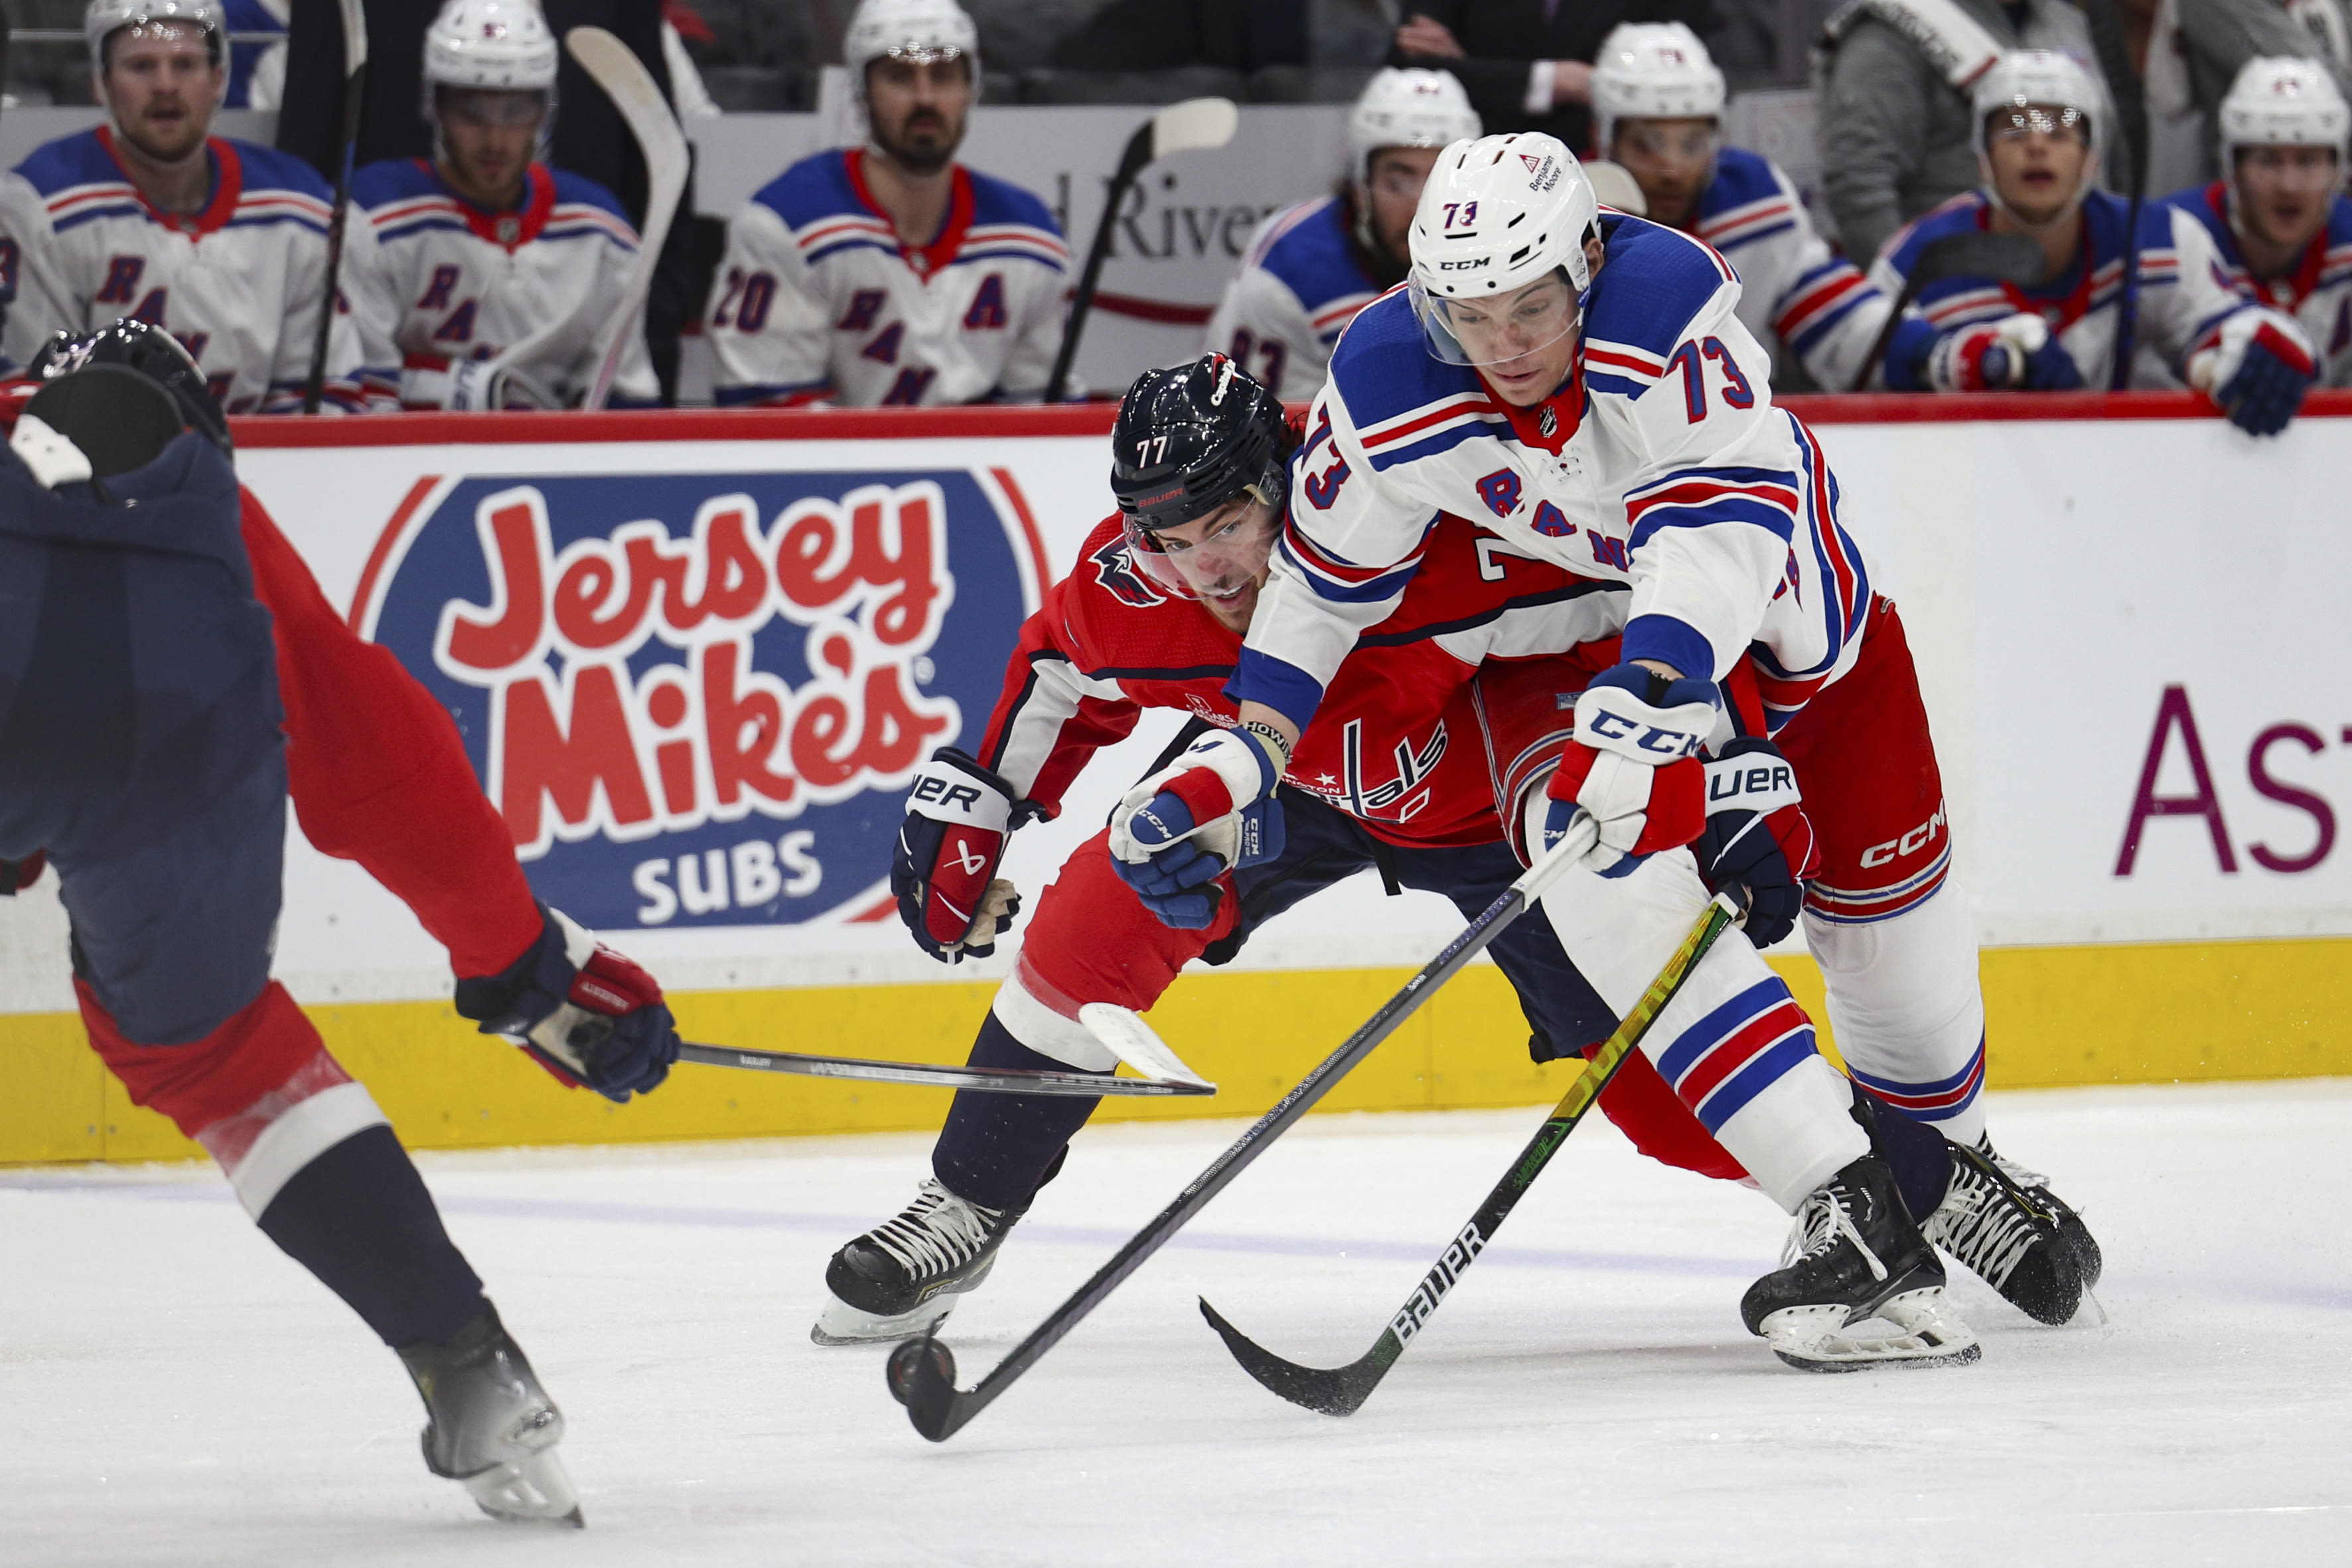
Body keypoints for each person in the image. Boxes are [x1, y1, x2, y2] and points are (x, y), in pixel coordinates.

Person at [816, 356, 2089, 1364]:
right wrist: (978, 794)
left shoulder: (1429, 532)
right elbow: (1057, 669)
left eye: (1232, 520)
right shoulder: (1137, 586)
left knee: (1664, 1101)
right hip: (1281, 776)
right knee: (1104, 895)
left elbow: (1666, 597)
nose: (1207, 564)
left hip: (1491, 795)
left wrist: (1727, 764)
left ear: (1292, 485)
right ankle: (962, 1206)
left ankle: (1911, 1179)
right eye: (1169, 535)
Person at [1121, 133, 2099, 1368]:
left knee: (1890, 982)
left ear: (1584, 265)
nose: (1506, 343)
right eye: (1471, 314)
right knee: (1599, 864)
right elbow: (1317, 594)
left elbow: (1713, 538)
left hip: (1814, 663)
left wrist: (1658, 696)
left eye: (1530, 306)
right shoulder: (1384, 377)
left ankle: (1935, 1167)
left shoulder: (1666, 317)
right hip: (1621, 664)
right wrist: (1249, 750)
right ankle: (1857, 1227)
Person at [0, 322, 684, 1523]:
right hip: (166, 698)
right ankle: (467, 1365)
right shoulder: (188, 499)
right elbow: (375, 761)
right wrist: (520, 961)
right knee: (208, 1046)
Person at [1876, 50, 2315, 433]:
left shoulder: (2158, 238)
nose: (2036, 146)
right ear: (1982, 155)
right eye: (2014, 129)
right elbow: (1865, 377)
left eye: (2061, 131)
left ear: (2092, 156)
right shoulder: (1917, 260)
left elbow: (2217, 325)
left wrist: (2250, 345)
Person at [0, 0, 368, 410]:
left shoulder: (300, 207)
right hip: (98, 460)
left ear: (219, 79)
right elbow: (36, 397)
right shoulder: (38, 207)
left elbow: (323, 402)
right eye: (141, 66)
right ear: (101, 83)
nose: (165, 85)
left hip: (264, 460)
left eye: (185, 65)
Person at [705, 0, 1073, 407]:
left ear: (972, 90)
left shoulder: (1030, 238)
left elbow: (1039, 418)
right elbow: (765, 420)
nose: (925, 98)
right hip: (836, 470)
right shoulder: (788, 226)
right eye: (900, 76)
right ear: (861, 94)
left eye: (944, 75)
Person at [348, 0, 660, 409]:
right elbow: (363, 402)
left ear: (544, 111)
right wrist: (461, 391)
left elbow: (626, 404)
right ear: (436, 105)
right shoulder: (375, 220)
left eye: (516, 111)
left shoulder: (602, 233)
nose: (495, 140)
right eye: (472, 112)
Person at [1589, 22, 1887, 388]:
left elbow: (1833, 312)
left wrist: (1927, 352)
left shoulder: (1753, 194)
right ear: (1602, 138)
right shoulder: (1566, 214)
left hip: (1747, 434)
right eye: (1647, 145)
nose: (1673, 170)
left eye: (1692, 144)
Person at [1205, 67, 1481, 400]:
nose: (1421, 208)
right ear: (1361, 185)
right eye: (1399, 181)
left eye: (1441, 181)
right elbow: (1268, 434)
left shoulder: (1504, 253)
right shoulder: (1288, 272)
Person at [1817, 0, 2120, 267]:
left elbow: (2111, 163)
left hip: (2085, 291)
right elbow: (1859, 186)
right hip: (1956, 295)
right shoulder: (1891, 31)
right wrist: (1909, 308)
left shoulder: (2069, 23)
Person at [2166, 55, 2352, 384]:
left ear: (2338, 171)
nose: (2289, 185)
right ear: (2232, 168)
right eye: (2267, 160)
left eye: (2308, 161)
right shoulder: (2169, 241)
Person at [1387, 0, 1720, 154]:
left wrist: (1474, 70)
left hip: (1607, 179)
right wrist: (1555, 82)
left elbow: (1686, 71)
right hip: (1472, 165)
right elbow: (1410, 71)